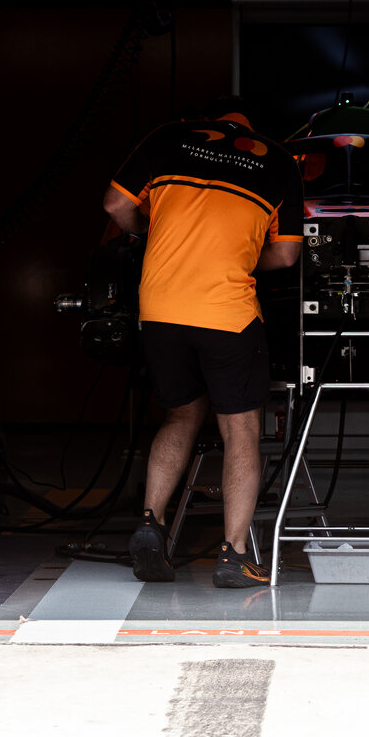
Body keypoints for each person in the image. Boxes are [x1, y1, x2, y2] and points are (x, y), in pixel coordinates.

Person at [103, 95, 303, 588]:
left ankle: (151, 523)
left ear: (209, 117)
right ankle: (234, 556)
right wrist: (234, 258)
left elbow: (115, 205)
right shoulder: (277, 160)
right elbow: (286, 257)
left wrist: (149, 239)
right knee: (240, 431)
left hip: (161, 308)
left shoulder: (167, 137)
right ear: (248, 126)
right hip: (227, 314)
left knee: (180, 415)